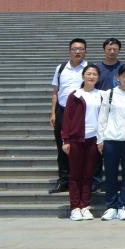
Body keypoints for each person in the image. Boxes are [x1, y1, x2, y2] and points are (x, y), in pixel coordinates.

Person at [61, 63, 103, 220]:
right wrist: (66, 139)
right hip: (76, 140)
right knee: (75, 174)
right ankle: (75, 207)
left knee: (88, 174)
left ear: (98, 77)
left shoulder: (101, 95)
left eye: (94, 74)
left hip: (93, 140)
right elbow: (67, 118)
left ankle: (85, 205)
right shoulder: (75, 95)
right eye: (89, 74)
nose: (91, 76)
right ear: (83, 76)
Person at [98, 64, 125, 221]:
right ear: (118, 77)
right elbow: (103, 117)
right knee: (111, 174)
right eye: (124, 75)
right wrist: (100, 139)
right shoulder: (110, 93)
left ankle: (123, 206)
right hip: (111, 139)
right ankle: (111, 206)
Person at [49, 38, 88, 194]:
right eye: (74, 49)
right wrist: (53, 113)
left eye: (81, 49)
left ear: (85, 51)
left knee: (82, 146)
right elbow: (55, 92)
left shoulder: (89, 68)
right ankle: (64, 180)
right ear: (69, 51)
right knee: (62, 146)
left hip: (82, 113)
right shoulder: (61, 68)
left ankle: (82, 180)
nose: (77, 52)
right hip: (62, 111)